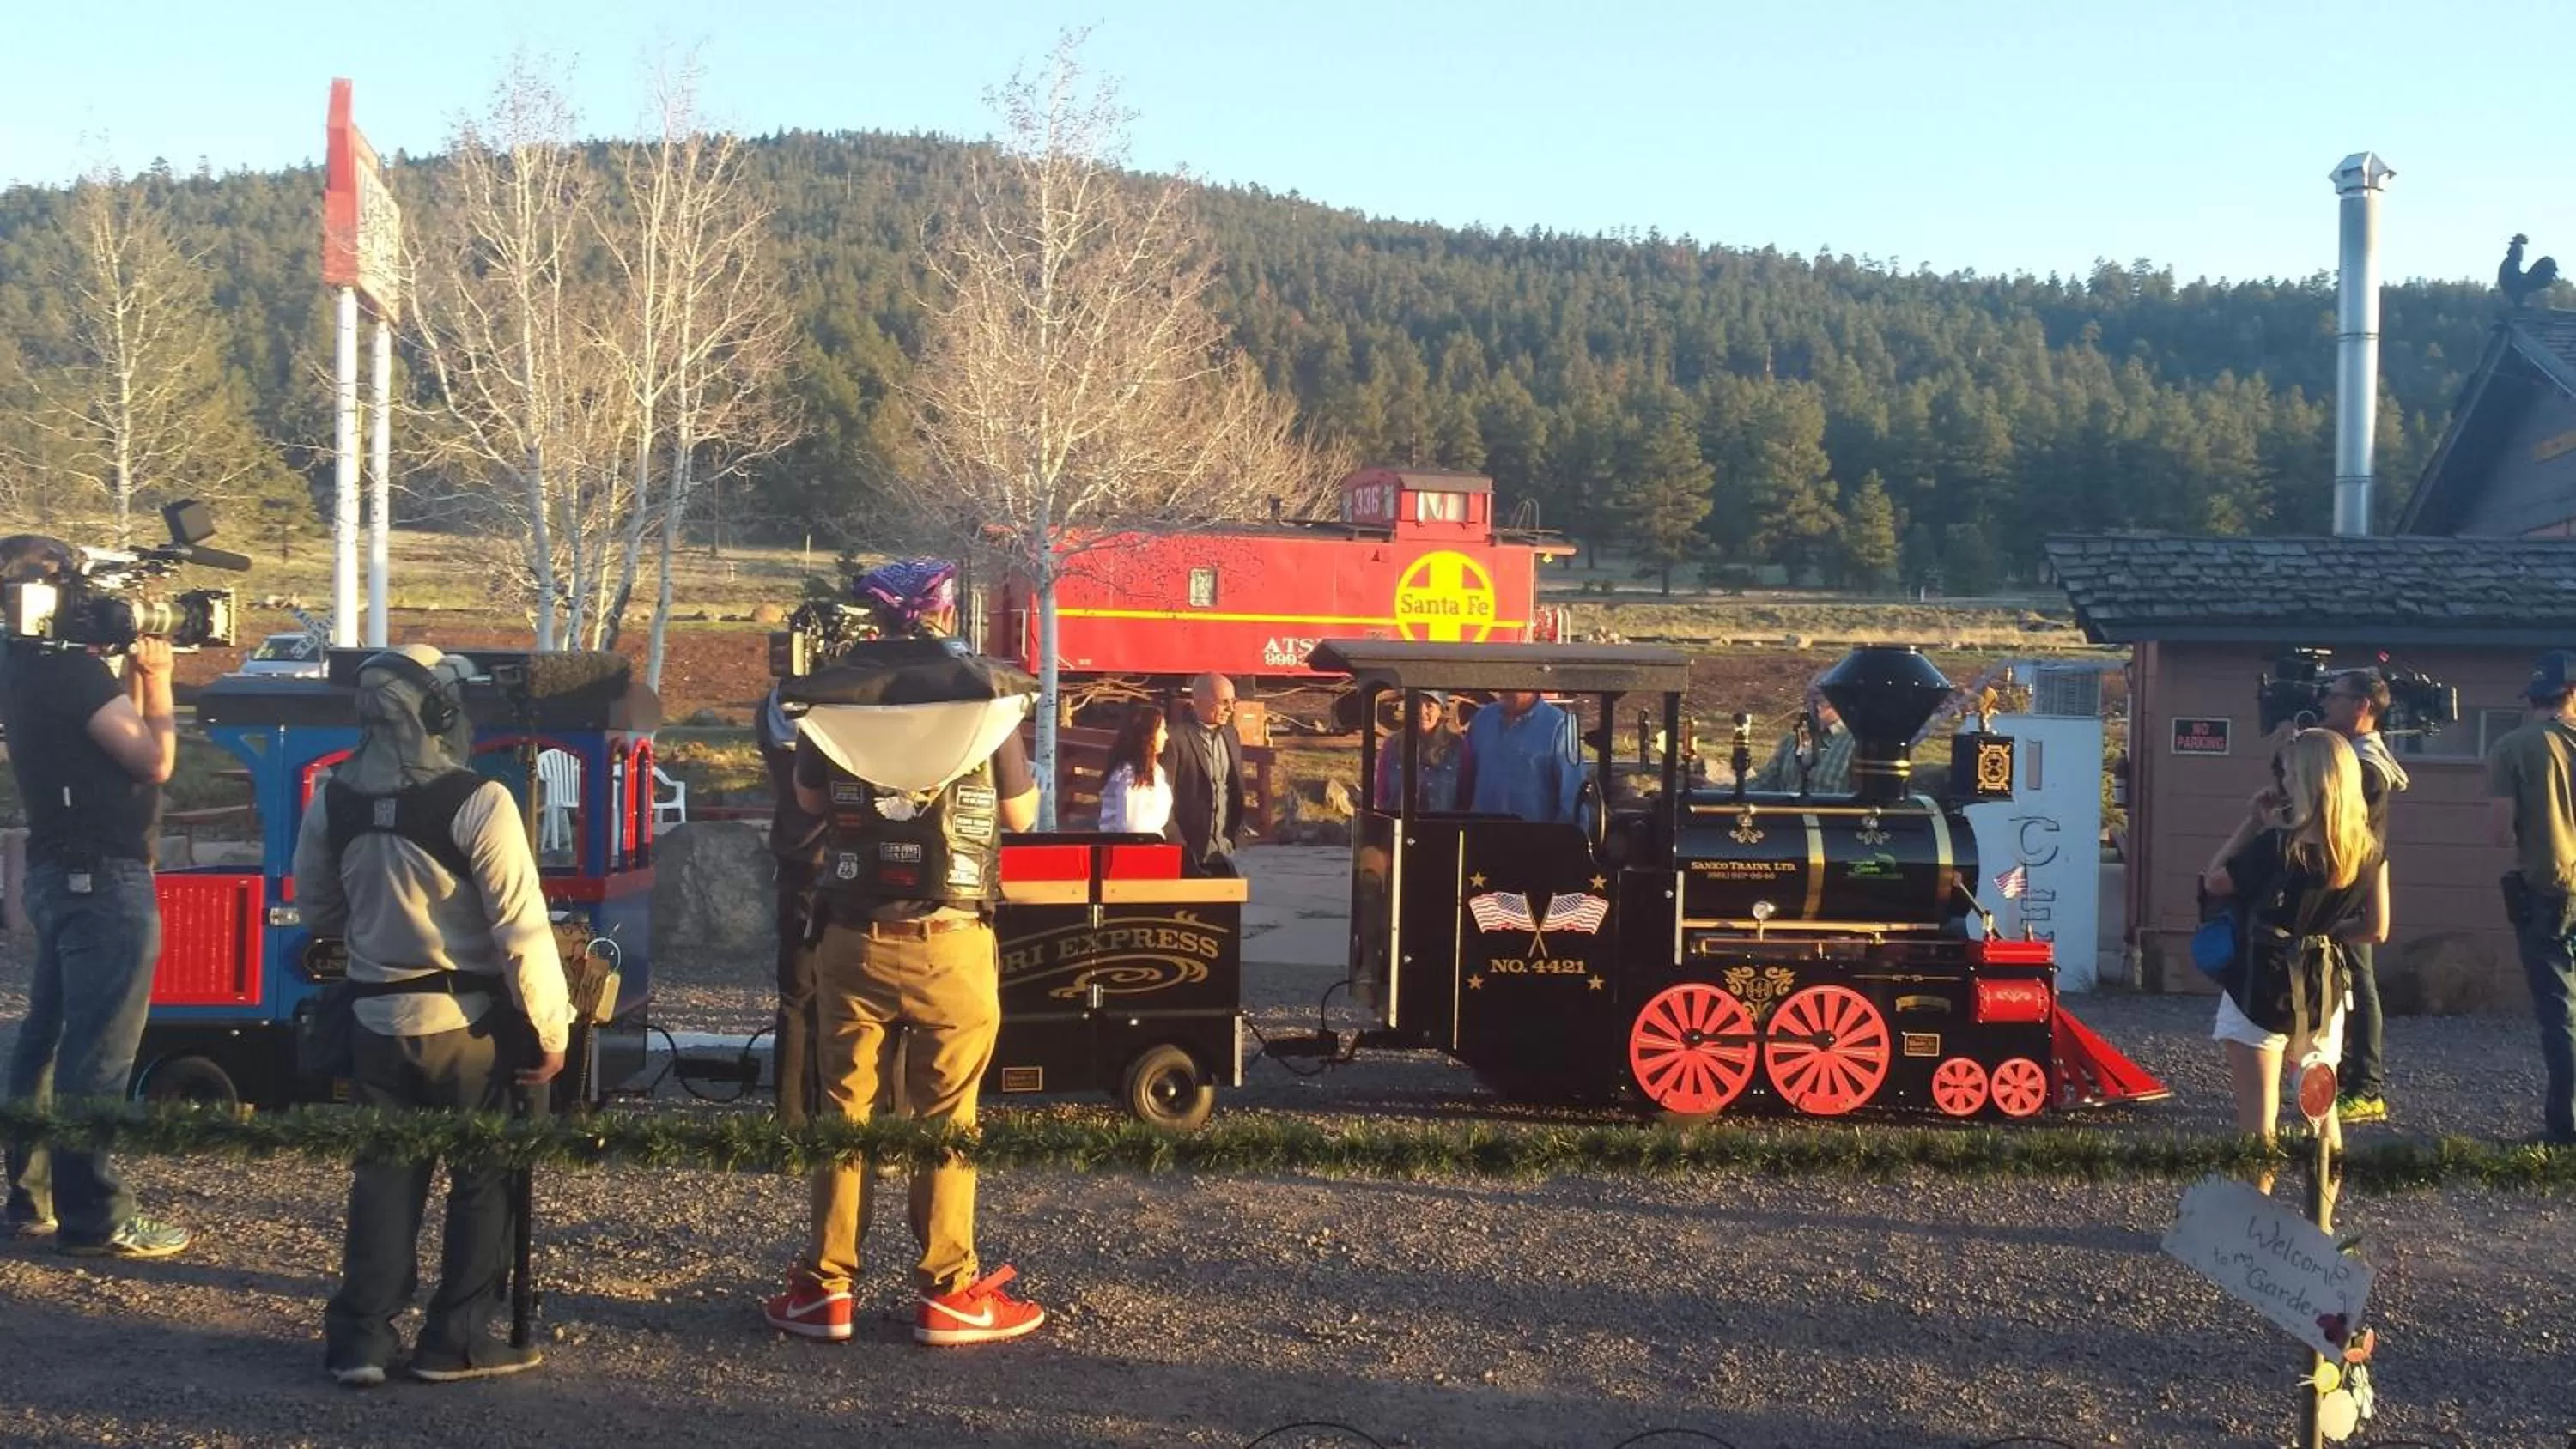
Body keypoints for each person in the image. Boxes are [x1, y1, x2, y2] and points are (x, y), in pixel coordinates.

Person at [762, 560, 1048, 1347]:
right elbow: (1022, 816)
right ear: (947, 612)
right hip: (952, 939)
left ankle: (826, 1290)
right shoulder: (987, 697)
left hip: (853, 936)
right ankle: (948, 1292)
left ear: (877, 617)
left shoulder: (834, 694)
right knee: (947, 1115)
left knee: (844, 1110)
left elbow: (810, 800)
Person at [293, 645, 572, 1385]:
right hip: (465, 1023)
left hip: (371, 1019)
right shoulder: (480, 800)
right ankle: (458, 1340)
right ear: (441, 711)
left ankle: (362, 1341)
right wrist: (551, 1028)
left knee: (383, 1178)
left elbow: (317, 907)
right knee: (483, 1178)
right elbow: (520, 928)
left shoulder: (334, 797)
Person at [1, 534, 191, 1259]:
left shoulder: (21, 665)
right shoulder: (73, 674)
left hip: (56, 870)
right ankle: (97, 1216)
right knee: (99, 1051)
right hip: (104, 879)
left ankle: (32, 1200)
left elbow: (120, 744)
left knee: (45, 1041)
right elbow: (155, 759)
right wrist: (161, 679)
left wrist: (131, 677)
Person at [2201, 729, 2387, 1157]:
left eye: (2287, 773)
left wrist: (2252, 822)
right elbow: (2377, 929)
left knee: (2258, 1126)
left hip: (2261, 982)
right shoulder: (2368, 849)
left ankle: (2257, 1198)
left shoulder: (2279, 845)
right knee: (2322, 1115)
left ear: (2304, 778)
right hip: (2324, 982)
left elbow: (2215, 880)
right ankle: (2323, 1198)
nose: (2282, 782)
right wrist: (2322, 934)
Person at [2486, 650, 2576, 1146]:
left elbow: (2500, 831)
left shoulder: (2513, 746)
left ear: (2533, 698)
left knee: (2560, 1012)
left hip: (2549, 887)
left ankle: (2566, 1128)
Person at [2318, 669, 2408, 1125]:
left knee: (2357, 982)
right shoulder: (2357, 757)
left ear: (2362, 706)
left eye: (2334, 696)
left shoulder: (2365, 767)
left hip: (2351, 885)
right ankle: (2343, 1077)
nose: (2325, 703)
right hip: (2354, 879)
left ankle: (2365, 1087)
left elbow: (2351, 830)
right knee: (2345, 982)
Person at [757, 682, 829, 1125]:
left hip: (798, 864)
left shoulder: (773, 708)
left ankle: (792, 1116)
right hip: (842, 866)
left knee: (797, 997)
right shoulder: (844, 706)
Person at [1163, 672, 1246, 878]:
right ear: (1199, 701)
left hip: (1225, 850)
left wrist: (1235, 836)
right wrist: (1178, 845)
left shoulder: (1231, 735)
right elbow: (1164, 799)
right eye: (1224, 702)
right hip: (1190, 851)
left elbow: (1233, 788)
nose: (1231, 709)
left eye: (1233, 701)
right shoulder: (1175, 738)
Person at [1457, 689, 1583, 823]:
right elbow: (1464, 781)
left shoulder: (1560, 726)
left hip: (1535, 834)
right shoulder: (1482, 719)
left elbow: (1573, 799)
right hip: (1482, 831)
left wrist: (1564, 835)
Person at [1372, 690, 1469, 813]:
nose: (1422, 712)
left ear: (1440, 711)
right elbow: (1382, 796)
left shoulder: (1457, 747)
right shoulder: (1392, 745)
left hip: (1442, 823)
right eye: (1417, 704)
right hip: (1401, 823)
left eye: (1429, 706)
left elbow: (1466, 797)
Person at [1747, 694, 1854, 794]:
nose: (1820, 703)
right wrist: (1735, 793)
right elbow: (1761, 785)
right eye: (1816, 697)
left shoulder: (1856, 743)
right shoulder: (1791, 741)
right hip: (1787, 808)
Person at [1097, 702, 1174, 834]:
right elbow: (1132, 827)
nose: (1166, 736)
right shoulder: (1130, 777)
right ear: (1148, 735)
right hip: (1133, 844)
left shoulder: (1156, 771)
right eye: (1162, 730)